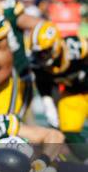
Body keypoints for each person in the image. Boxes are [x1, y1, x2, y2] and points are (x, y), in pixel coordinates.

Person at [30, 21, 87, 153]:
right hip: (73, 93)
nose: (41, 56)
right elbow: (42, 83)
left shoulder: (74, 47)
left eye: (45, 52)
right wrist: (47, 102)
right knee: (67, 128)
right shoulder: (38, 65)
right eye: (39, 53)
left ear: (56, 45)